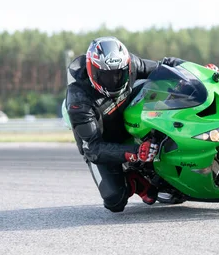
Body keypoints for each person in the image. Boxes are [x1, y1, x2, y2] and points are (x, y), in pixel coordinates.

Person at [65, 36, 186, 213]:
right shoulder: (79, 100)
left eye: (118, 73)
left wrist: (195, 70)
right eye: (106, 75)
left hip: (130, 121)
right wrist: (136, 153)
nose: (114, 79)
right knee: (114, 200)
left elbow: (165, 66)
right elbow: (93, 149)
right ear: (92, 71)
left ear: (127, 66)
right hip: (103, 141)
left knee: (159, 85)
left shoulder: (131, 65)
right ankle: (134, 181)